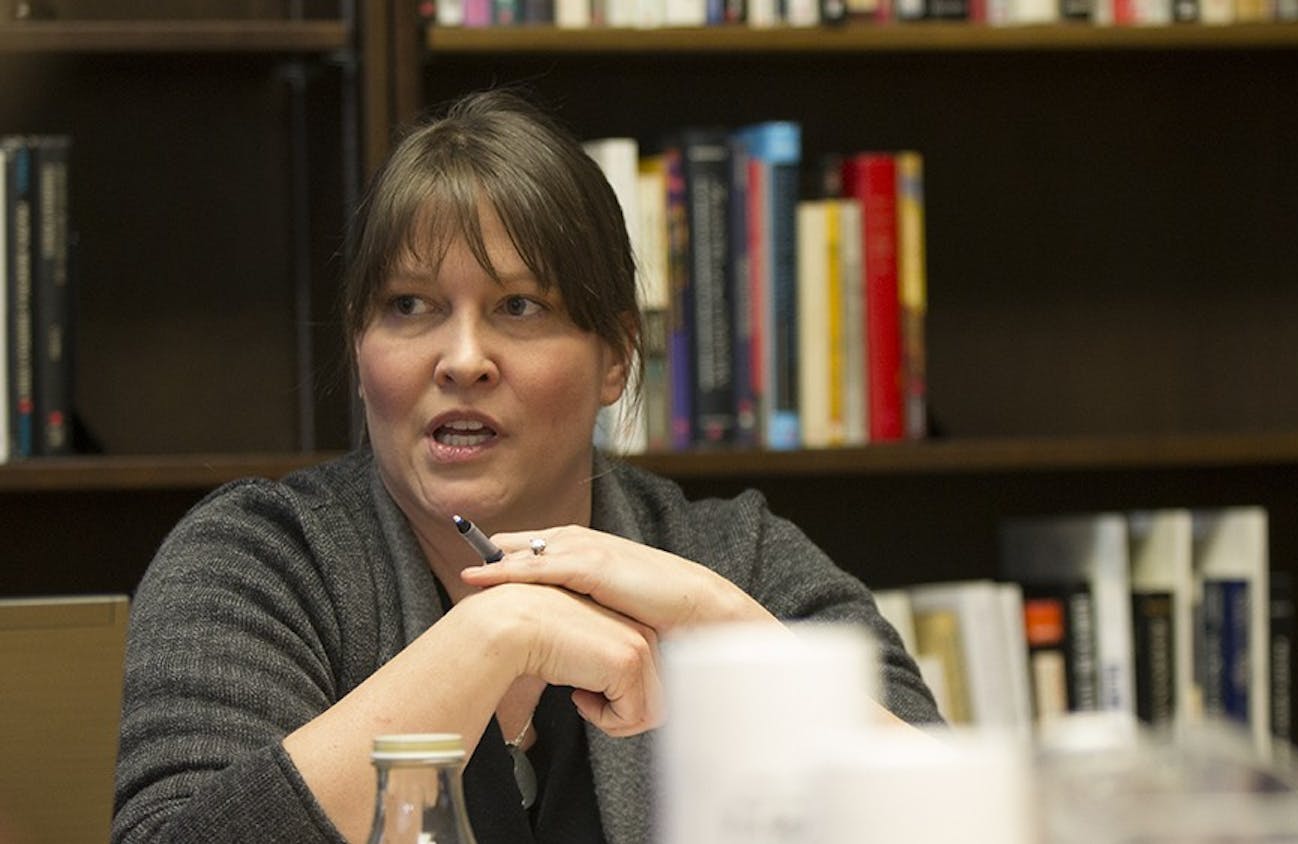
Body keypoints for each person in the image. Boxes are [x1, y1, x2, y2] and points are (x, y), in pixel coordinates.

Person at [111, 88, 941, 844]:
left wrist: (708, 614)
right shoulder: (260, 560)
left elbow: (953, 816)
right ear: (361, 350)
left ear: (615, 357)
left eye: (519, 307)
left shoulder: (736, 558)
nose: (462, 359)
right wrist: (492, 639)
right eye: (409, 307)